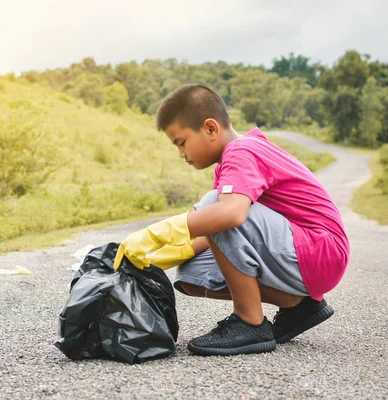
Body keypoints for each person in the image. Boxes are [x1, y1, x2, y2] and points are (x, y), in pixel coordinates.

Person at [114, 84, 350, 356]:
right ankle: (297, 306)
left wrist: (157, 232)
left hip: (320, 251)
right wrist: (155, 258)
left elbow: (229, 215)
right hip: (305, 255)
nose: (181, 153)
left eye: (181, 142)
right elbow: (211, 235)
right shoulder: (231, 162)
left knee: (215, 206)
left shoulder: (242, 151)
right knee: (193, 276)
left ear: (210, 128)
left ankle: (250, 322)